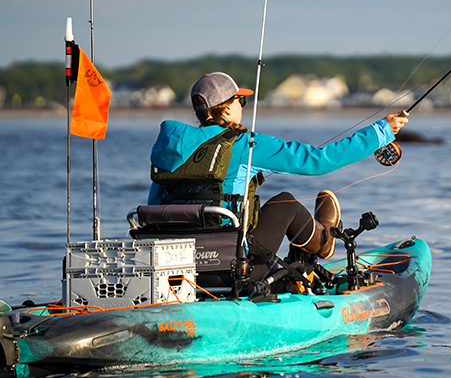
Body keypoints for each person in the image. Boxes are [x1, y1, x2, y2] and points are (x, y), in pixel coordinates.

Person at [148, 72, 408, 279]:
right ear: (226, 111)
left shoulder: (169, 151)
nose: (242, 105)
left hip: (178, 274)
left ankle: (299, 266)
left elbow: (154, 212)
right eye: (240, 100)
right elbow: (318, 161)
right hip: (235, 272)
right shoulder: (246, 145)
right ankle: (324, 240)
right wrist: (381, 132)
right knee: (285, 204)